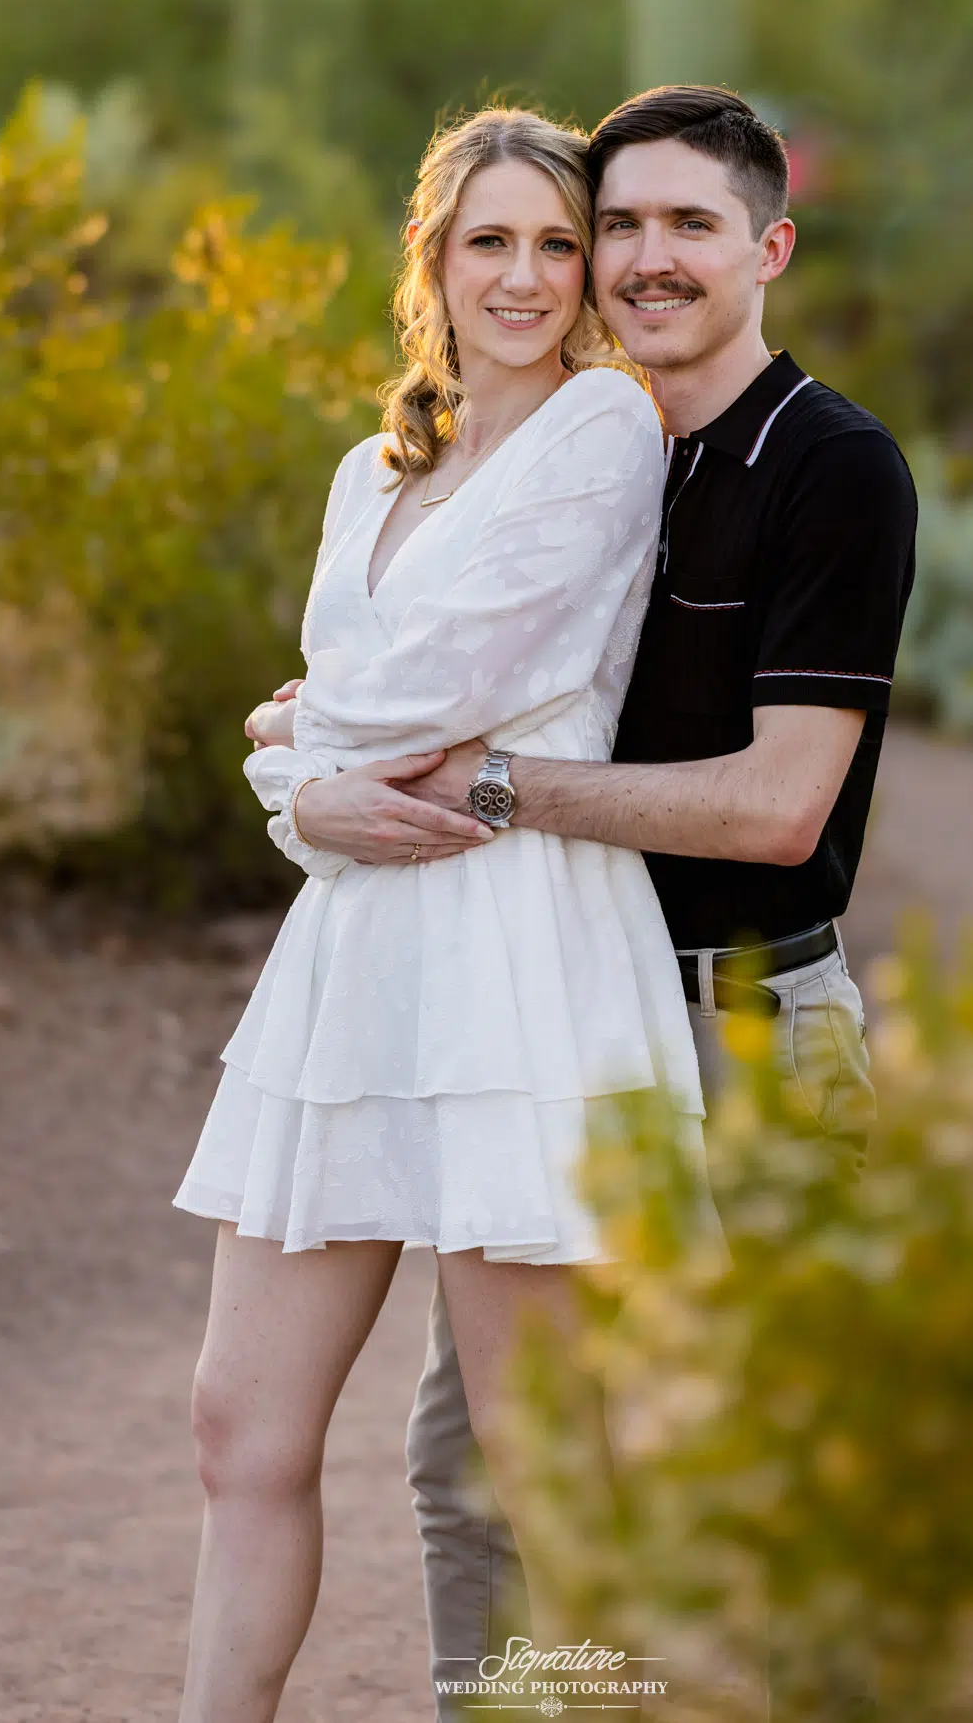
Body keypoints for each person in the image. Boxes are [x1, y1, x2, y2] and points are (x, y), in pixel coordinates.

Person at [268, 85, 918, 1716]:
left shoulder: (828, 466)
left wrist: (478, 786)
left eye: (688, 224)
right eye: (615, 223)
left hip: (742, 1025)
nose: (643, 257)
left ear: (767, 245)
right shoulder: (577, 446)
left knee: (751, 1474)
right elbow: (376, 675)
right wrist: (305, 750)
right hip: (557, 1002)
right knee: (482, 1464)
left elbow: (779, 812)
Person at [170, 107, 707, 1723]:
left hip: (518, 947)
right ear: (435, 261)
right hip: (357, 953)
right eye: (492, 241)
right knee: (236, 1427)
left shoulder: (608, 431)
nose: (529, 276)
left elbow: (419, 687)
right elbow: (358, 718)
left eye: (560, 243)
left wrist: (284, 742)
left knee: (543, 1469)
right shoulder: (372, 469)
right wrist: (299, 785)